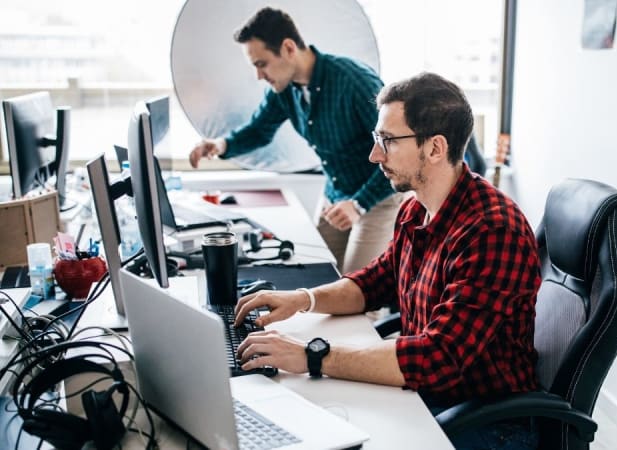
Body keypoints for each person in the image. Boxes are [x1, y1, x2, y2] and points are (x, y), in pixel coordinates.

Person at [234, 72, 541, 449]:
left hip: (486, 422)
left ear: (434, 148)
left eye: (388, 141)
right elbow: (374, 282)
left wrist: (311, 356)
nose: (374, 155)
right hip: (430, 397)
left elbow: (438, 357)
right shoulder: (416, 208)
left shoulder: (492, 232)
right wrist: (301, 299)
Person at [188, 7, 402, 273]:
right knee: (317, 274)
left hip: (377, 197)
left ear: (288, 48)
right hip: (336, 196)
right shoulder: (284, 89)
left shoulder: (354, 81)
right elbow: (259, 130)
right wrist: (220, 146)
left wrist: (359, 204)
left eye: (261, 64)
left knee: (358, 291)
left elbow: (398, 154)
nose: (258, 76)